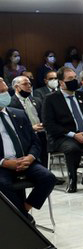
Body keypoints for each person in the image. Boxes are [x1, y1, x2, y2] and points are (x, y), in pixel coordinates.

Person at [0, 78, 56, 223]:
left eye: (5, 91)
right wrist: (4, 163)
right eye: (1, 92)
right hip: (3, 165)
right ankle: (25, 220)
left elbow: (34, 142)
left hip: (26, 160)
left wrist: (31, 157)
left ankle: (22, 213)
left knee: (48, 178)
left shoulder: (18, 114)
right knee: (2, 185)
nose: (5, 94)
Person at [10, 76, 49, 169]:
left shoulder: (37, 100)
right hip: (24, 136)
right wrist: (31, 128)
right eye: (25, 84)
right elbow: (13, 125)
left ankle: (46, 172)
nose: (29, 86)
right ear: (16, 87)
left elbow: (43, 116)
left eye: (30, 84)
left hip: (41, 133)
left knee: (45, 154)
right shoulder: (11, 103)